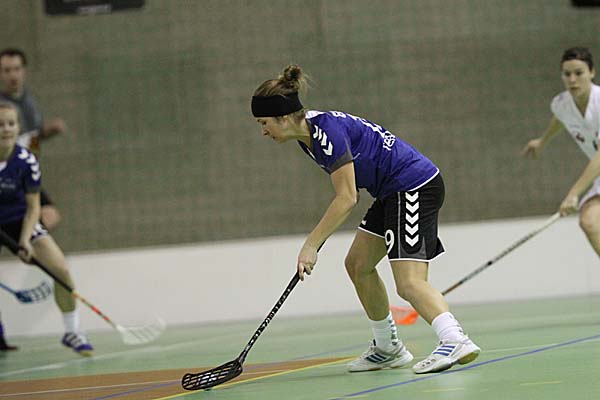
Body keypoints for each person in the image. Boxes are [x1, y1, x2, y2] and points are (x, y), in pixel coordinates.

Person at [251, 65, 481, 374]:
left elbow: (347, 197)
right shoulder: (309, 138)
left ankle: (454, 339)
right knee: (358, 265)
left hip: (413, 187)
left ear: (283, 117)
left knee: (409, 282)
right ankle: (388, 347)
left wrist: (310, 246)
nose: (263, 131)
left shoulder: (326, 133)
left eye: (264, 123)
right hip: (390, 192)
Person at [0, 101, 93, 356]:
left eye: (11, 123)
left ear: (18, 127)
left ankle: (72, 331)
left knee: (61, 270)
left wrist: (24, 241)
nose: (6, 129)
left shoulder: (26, 161)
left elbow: (33, 207)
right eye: (0, 124)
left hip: (20, 220)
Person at [521, 47, 600, 257]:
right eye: (567, 74)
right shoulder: (561, 103)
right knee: (589, 221)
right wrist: (542, 140)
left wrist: (573, 194)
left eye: (579, 73)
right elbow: (561, 118)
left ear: (592, 72)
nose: (572, 80)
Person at [0, 48, 65, 230]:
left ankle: (25, 238)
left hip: (25, 171)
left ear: (24, 71)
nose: (12, 75)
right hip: (10, 175)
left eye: (16, 69)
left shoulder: (28, 100)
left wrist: (48, 130)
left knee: (48, 215)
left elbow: (32, 135)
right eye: (7, 70)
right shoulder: (3, 107)